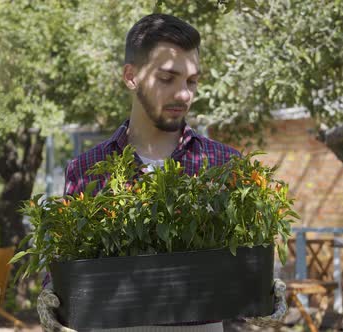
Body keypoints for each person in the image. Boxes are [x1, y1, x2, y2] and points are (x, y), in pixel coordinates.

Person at [37, 13, 287, 332]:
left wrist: (266, 290)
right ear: (131, 77)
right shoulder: (87, 169)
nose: (183, 95)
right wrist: (51, 295)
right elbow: (66, 268)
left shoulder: (223, 164)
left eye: (191, 81)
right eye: (167, 78)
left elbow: (245, 267)